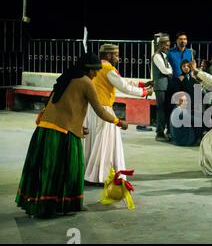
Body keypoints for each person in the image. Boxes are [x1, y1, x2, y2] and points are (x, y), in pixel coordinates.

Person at [15, 53, 128, 218]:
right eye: (94, 71)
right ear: (87, 69)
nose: (96, 74)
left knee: (47, 169)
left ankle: (46, 205)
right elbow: (100, 111)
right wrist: (119, 122)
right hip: (61, 133)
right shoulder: (86, 82)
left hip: (45, 130)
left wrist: (79, 126)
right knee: (71, 170)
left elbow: (66, 105)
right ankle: (63, 205)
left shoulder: (67, 77)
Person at [83, 44, 151, 184]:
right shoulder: (108, 68)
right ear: (108, 55)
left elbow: (121, 81)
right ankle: (100, 177)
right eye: (116, 54)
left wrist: (141, 84)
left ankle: (88, 175)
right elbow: (124, 87)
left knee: (92, 142)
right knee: (106, 144)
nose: (118, 58)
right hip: (103, 109)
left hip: (90, 109)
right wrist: (145, 92)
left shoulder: (97, 66)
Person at [152, 35, 174, 141]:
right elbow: (165, 70)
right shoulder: (157, 56)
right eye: (165, 45)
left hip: (165, 86)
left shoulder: (164, 56)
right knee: (161, 109)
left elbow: (168, 67)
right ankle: (159, 133)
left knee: (165, 109)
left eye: (168, 45)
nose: (167, 47)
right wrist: (170, 71)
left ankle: (165, 131)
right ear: (160, 44)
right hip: (160, 86)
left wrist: (169, 70)